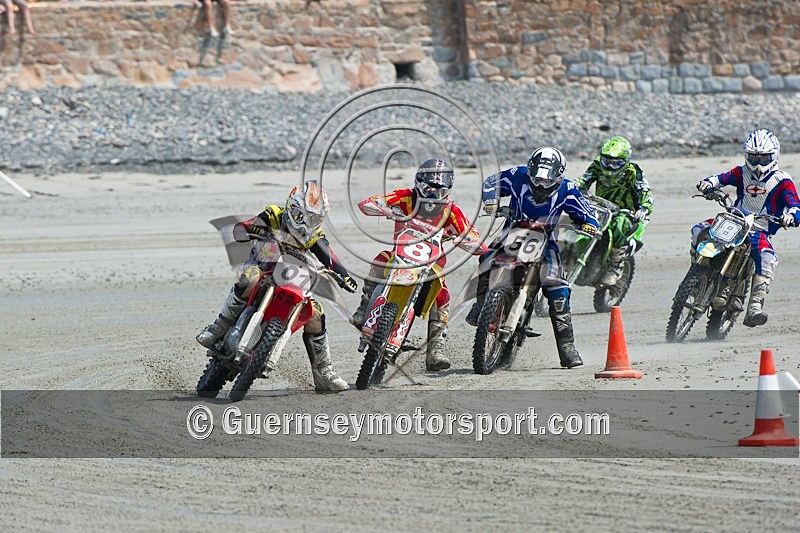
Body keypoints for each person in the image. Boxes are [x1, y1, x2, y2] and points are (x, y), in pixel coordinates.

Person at [196, 181, 359, 391]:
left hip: (294, 280)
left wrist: (343, 275)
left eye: (314, 219)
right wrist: (251, 230)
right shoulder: (274, 214)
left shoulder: (314, 236)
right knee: (250, 276)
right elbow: (244, 228)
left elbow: (329, 256)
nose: (306, 223)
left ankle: (323, 371)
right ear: (292, 208)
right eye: (303, 216)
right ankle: (219, 325)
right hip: (263, 269)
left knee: (315, 314)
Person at [466, 147, 598, 368]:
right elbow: (490, 183)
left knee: (559, 289)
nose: (541, 184)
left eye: (547, 180)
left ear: (559, 175)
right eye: (537, 178)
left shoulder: (568, 189)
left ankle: (567, 347)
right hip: (513, 234)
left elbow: (588, 215)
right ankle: (481, 306)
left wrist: (589, 225)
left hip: (546, 241)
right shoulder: (517, 175)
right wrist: (491, 201)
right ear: (530, 171)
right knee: (487, 259)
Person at [353, 158, 488, 371]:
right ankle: (363, 308)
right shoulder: (404, 197)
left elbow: (472, 234)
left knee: (442, 294)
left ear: (448, 191)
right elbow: (368, 203)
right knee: (380, 258)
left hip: (431, 264)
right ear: (418, 183)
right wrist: (383, 208)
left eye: (440, 192)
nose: (433, 196)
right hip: (399, 256)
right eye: (428, 189)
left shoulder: (452, 211)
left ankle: (436, 348)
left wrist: (467, 240)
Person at [695, 128, 800, 327]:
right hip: (733, 221)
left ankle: (754, 307)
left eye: (763, 158)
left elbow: (795, 204)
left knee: (767, 257)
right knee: (698, 230)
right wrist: (708, 183)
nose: (758, 163)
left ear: (774, 156)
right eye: (753, 157)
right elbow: (721, 178)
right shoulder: (740, 171)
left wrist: (790, 216)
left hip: (759, 229)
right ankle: (698, 271)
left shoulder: (783, 180)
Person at [575, 135, 654, 285]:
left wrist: (644, 207)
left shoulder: (634, 171)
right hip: (600, 206)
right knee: (577, 218)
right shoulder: (597, 165)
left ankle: (615, 267)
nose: (610, 166)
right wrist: (574, 186)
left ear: (625, 161)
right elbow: (584, 178)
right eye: (607, 162)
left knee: (619, 226)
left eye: (616, 163)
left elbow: (645, 190)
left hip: (625, 211)